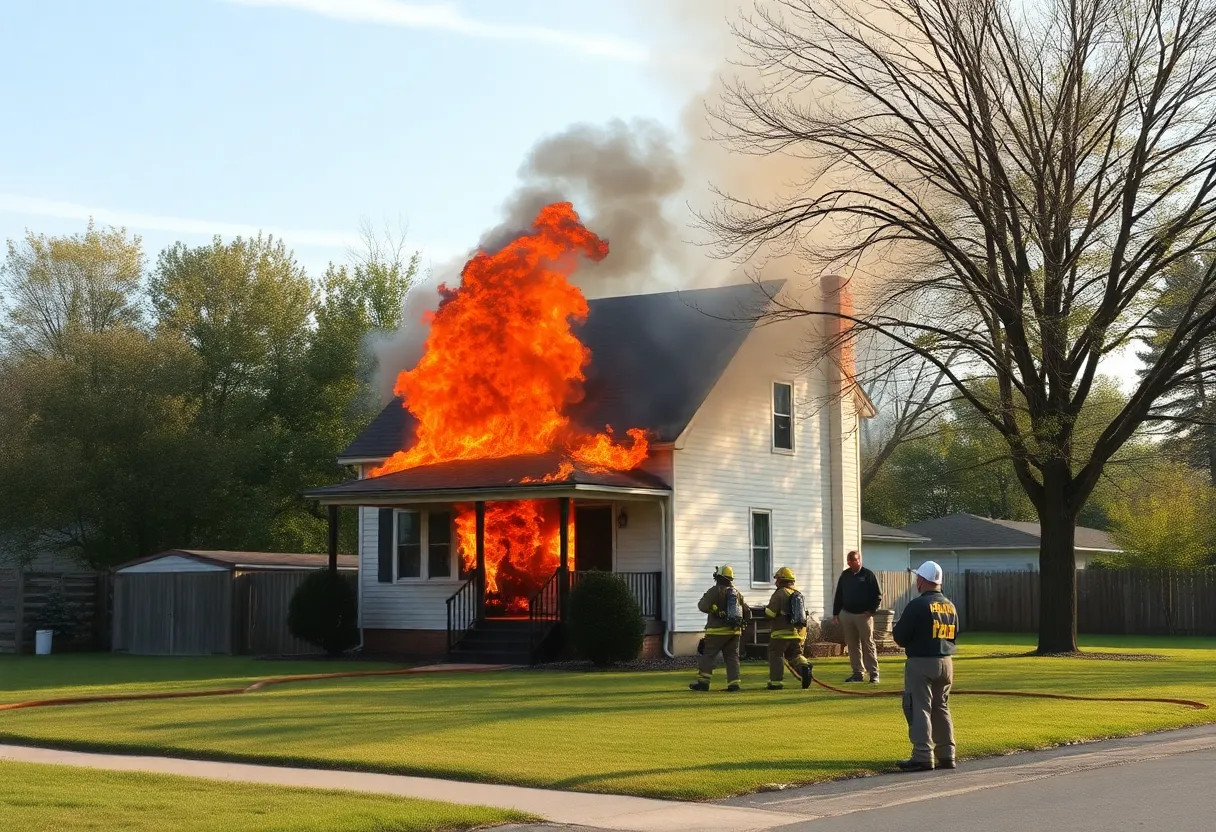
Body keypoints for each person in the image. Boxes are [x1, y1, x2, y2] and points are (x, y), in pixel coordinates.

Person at [892, 560, 958, 772]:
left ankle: (922, 755)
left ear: (921, 580)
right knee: (941, 707)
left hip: (921, 662)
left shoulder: (917, 605)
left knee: (920, 707)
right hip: (946, 662)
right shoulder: (950, 605)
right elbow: (955, 634)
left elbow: (900, 637)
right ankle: (947, 753)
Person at [690, 566, 750, 692]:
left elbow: (702, 606)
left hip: (717, 631)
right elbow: (746, 612)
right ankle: (734, 684)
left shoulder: (715, 591)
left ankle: (703, 682)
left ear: (718, 577)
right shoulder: (737, 593)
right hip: (734, 632)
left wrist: (713, 609)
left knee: (708, 655)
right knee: (732, 657)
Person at [833, 549, 883, 684]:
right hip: (847, 614)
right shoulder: (845, 575)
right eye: (848, 561)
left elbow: (877, 595)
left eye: (853, 560)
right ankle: (858, 673)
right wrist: (836, 613)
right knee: (852, 644)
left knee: (868, 644)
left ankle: (874, 673)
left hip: (863, 615)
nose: (850, 563)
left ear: (859, 560)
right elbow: (839, 595)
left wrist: (872, 610)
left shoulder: (868, 575)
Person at [764, 566, 814, 690]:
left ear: (781, 580)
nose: (776, 582)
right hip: (795, 634)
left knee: (776, 655)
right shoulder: (797, 594)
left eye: (777, 579)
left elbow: (770, 614)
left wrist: (765, 610)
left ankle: (776, 683)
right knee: (795, 655)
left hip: (780, 634)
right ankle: (805, 667)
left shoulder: (780, 593)